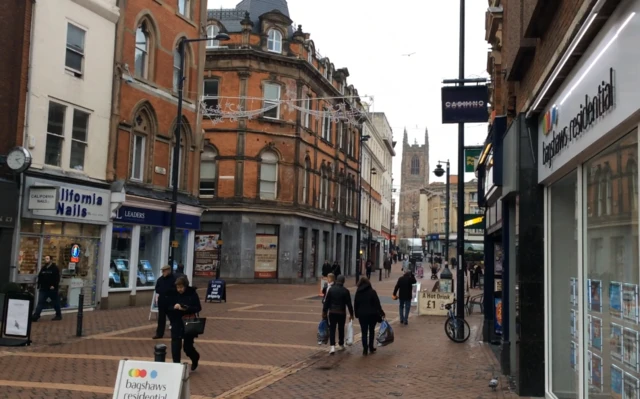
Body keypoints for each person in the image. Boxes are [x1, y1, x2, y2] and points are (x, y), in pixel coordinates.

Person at [166, 275, 202, 369]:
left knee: (187, 347)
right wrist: (173, 308)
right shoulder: (173, 293)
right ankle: (176, 367)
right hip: (176, 321)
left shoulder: (192, 293)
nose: (179, 289)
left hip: (188, 322)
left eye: (181, 287)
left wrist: (185, 308)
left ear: (185, 286)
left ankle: (195, 358)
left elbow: (198, 308)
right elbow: (167, 306)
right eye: (178, 287)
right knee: (175, 346)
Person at [322, 275, 354, 355]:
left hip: (332, 312)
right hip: (341, 312)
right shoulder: (345, 291)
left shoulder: (331, 290)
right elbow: (349, 304)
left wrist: (324, 311)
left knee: (332, 328)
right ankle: (341, 343)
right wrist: (351, 314)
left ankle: (332, 346)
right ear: (343, 282)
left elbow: (327, 302)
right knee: (341, 328)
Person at [354, 277, 385, 356]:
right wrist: (381, 312)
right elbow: (377, 304)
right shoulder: (372, 292)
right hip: (372, 314)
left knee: (364, 332)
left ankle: (365, 349)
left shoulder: (358, 292)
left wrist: (356, 314)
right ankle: (371, 347)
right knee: (371, 331)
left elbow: (356, 304)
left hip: (362, 315)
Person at [32, 255, 62, 322]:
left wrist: (54, 285)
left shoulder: (55, 268)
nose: (46, 260)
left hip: (52, 289)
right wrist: (38, 285)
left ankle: (58, 315)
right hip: (43, 288)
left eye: (47, 259)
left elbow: (57, 278)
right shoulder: (44, 268)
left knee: (55, 302)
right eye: (45, 258)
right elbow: (40, 276)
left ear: (51, 260)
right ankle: (36, 316)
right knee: (40, 302)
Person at [153, 265, 176, 339]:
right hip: (162, 301)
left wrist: (168, 290)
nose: (163, 272)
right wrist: (162, 290)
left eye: (165, 271)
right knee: (161, 319)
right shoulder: (160, 279)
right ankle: (159, 334)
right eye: (163, 271)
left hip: (170, 301)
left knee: (173, 318)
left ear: (169, 270)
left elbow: (175, 289)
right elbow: (157, 288)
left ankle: (175, 333)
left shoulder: (174, 279)